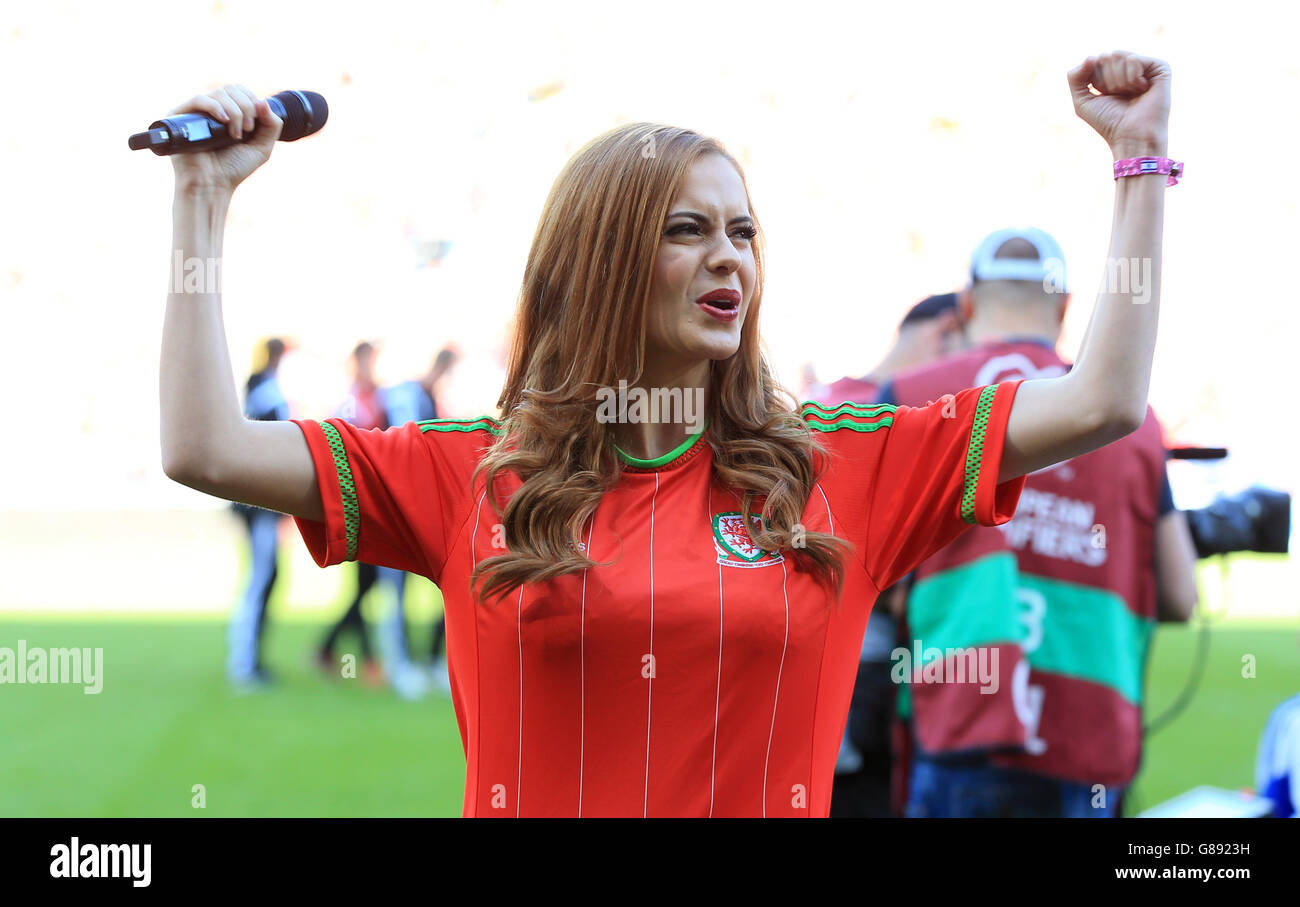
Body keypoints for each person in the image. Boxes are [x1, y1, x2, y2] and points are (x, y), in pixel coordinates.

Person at [159, 52, 1176, 816]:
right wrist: (201, 203)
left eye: (741, 231)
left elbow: (1101, 402)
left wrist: (1140, 159)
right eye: (686, 230)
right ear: (601, 261)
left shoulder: (842, 463)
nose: (727, 257)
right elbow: (205, 447)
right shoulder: (465, 471)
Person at [879, 227, 1198, 818]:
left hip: (962, 722)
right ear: (1065, 308)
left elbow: (876, 577)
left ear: (967, 305)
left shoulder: (909, 397)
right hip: (1090, 738)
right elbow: (1180, 595)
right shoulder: (1132, 421)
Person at [812, 293, 965, 817]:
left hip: (816, 667)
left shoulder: (815, 400)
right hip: (874, 671)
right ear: (945, 333)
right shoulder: (893, 417)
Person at [376, 347, 459, 699]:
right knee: (394, 591)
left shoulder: (423, 398)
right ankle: (400, 666)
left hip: (417, 509)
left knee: (430, 590)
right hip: (399, 508)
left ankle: (427, 662)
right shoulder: (412, 398)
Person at [315, 342, 389, 686]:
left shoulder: (379, 398)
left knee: (365, 586)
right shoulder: (351, 402)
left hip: (374, 504)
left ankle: (331, 650)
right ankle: (364, 659)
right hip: (357, 505)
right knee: (365, 584)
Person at [227, 336, 291, 688]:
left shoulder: (262, 388)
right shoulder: (267, 391)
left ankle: (250, 659)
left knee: (264, 578)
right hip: (259, 507)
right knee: (258, 580)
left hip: (259, 505)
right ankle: (243, 663)